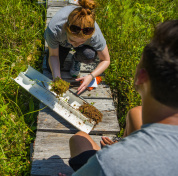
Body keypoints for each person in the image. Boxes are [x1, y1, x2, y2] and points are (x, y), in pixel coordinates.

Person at [59, 20, 178, 176]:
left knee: (79, 138)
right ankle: (124, 142)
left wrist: (117, 153)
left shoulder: (109, 163)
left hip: (122, 163)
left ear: (141, 77)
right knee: (136, 112)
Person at [44, 0, 110, 95]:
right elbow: (53, 56)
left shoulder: (95, 35)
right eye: (72, 41)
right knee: (51, 69)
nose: (75, 45)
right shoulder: (54, 30)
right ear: (66, 29)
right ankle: (68, 45)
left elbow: (106, 60)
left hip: (69, 41)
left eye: (82, 41)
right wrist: (56, 77)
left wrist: (91, 76)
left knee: (89, 55)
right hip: (61, 42)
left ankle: (76, 59)